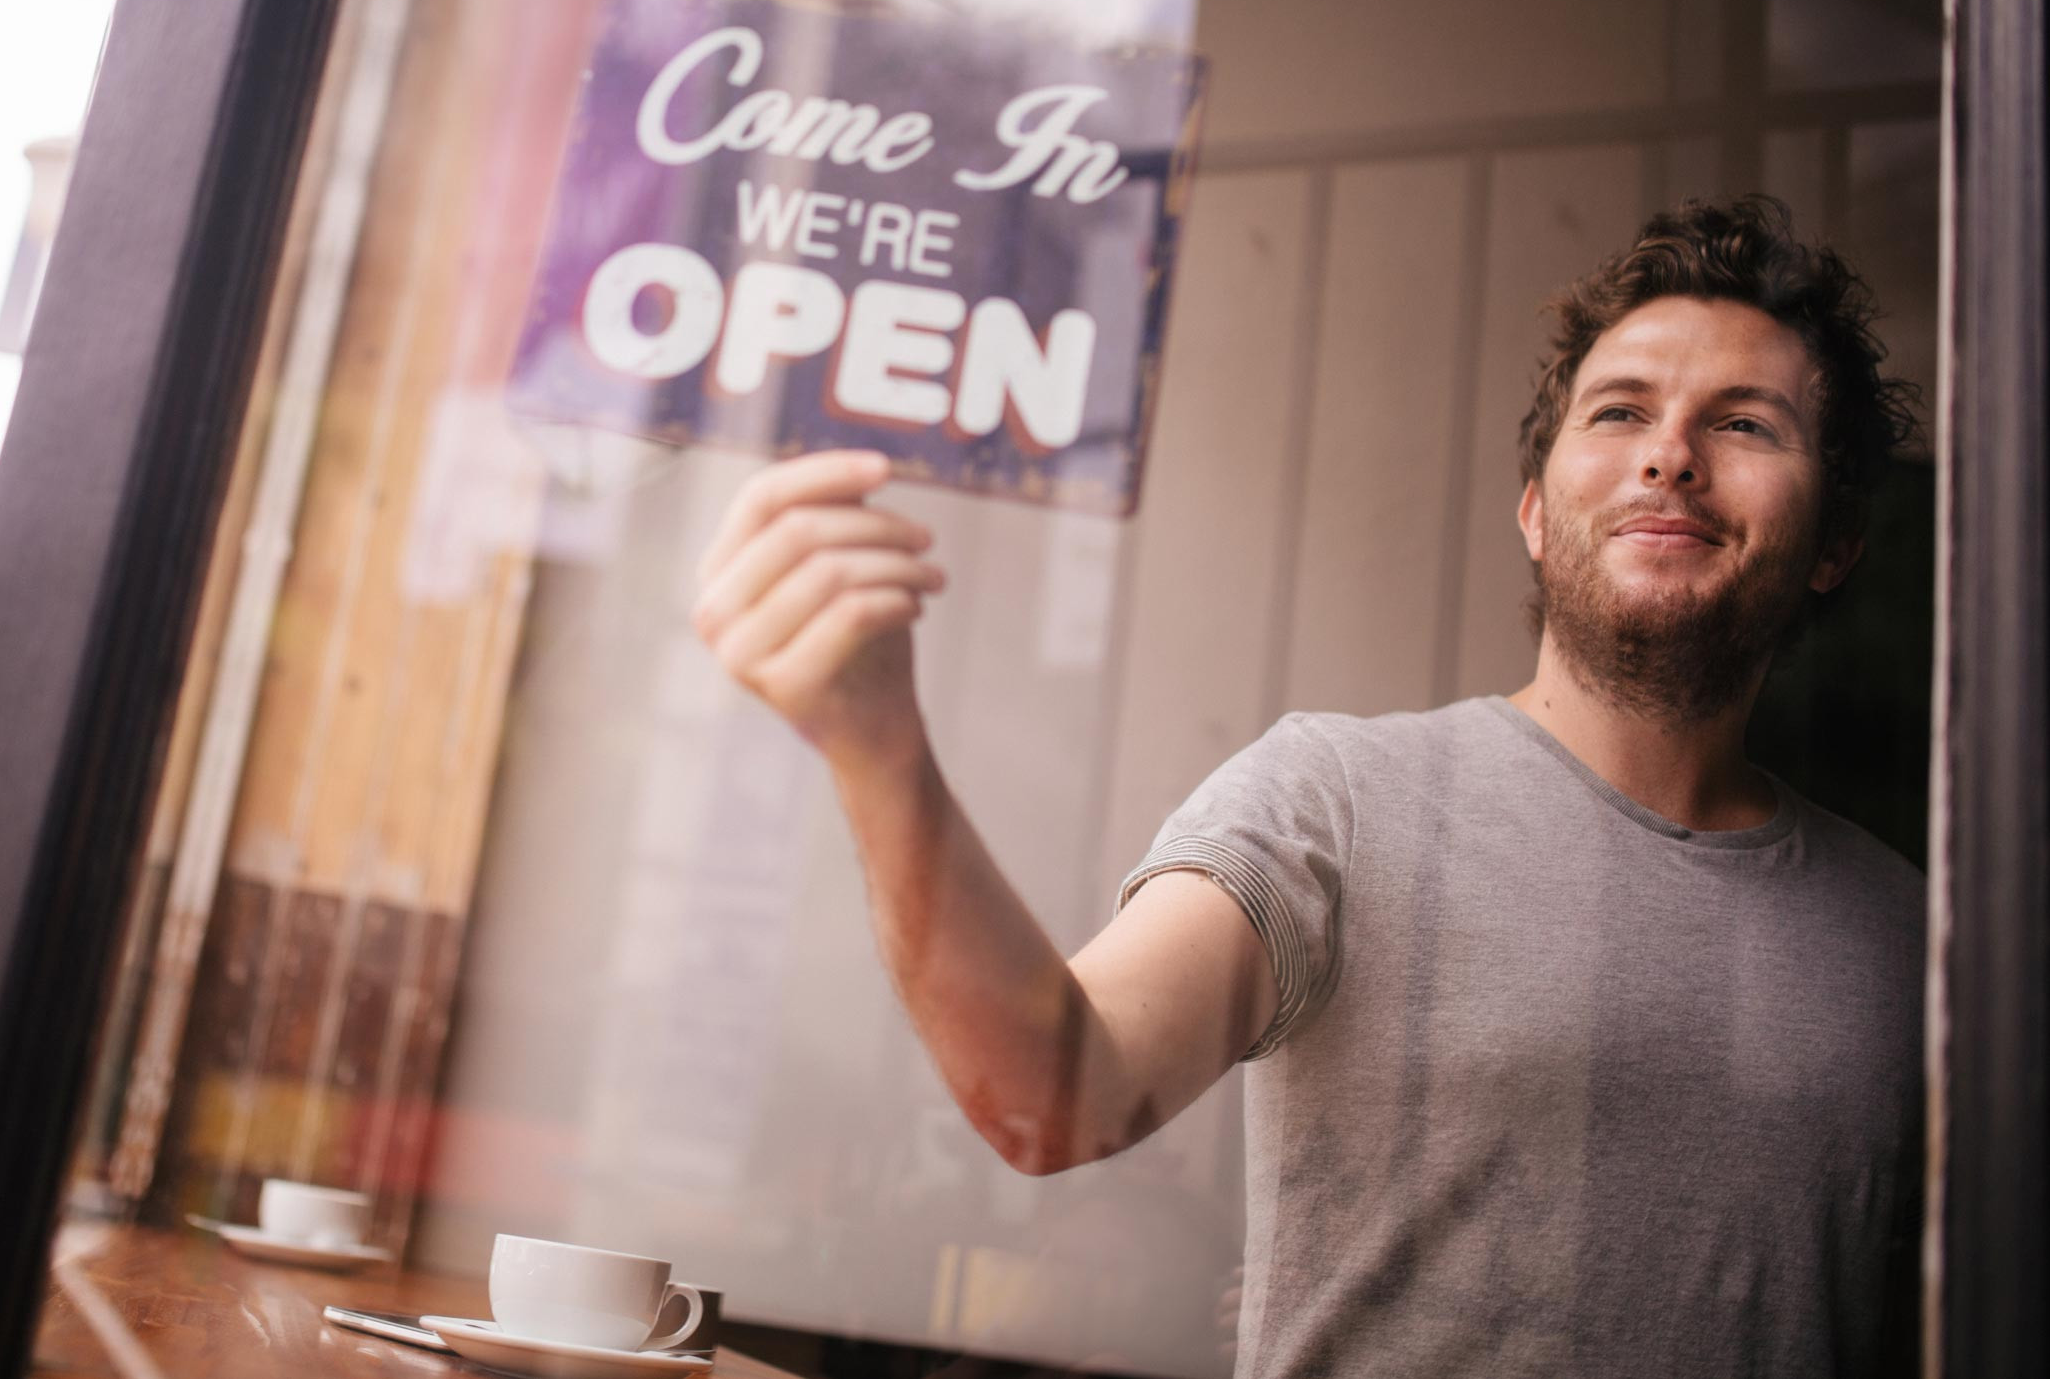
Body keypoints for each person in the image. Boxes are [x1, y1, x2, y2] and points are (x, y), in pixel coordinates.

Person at [688, 195, 1927, 1378]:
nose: (1669, 455)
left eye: (1746, 424)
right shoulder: (1336, 799)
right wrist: (882, 752)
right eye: (1617, 412)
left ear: (1834, 546)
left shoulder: (1910, 937)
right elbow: (1052, 1096)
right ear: (1537, 515)